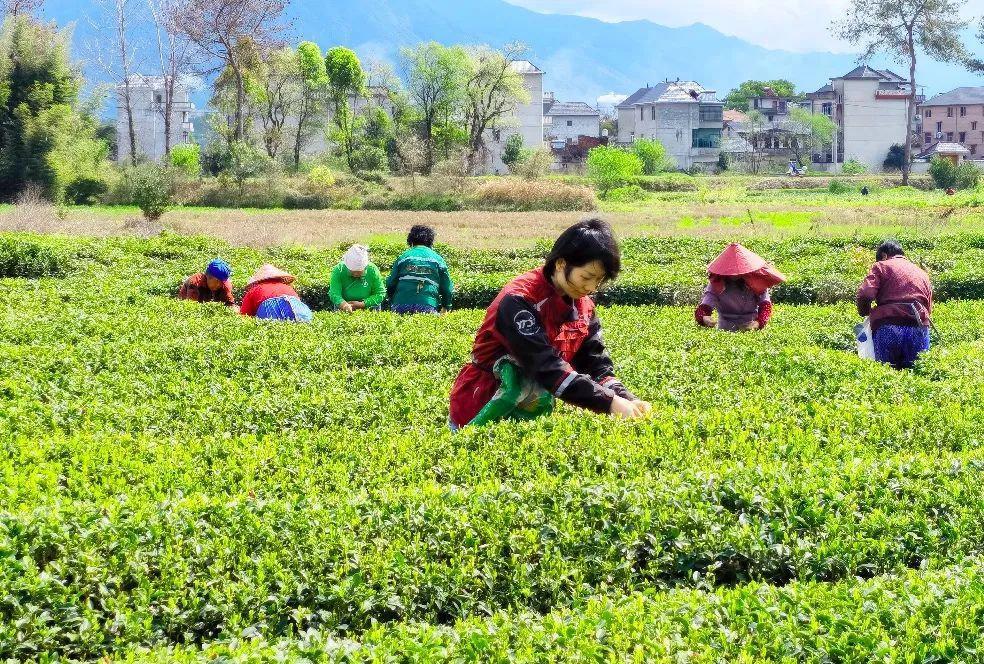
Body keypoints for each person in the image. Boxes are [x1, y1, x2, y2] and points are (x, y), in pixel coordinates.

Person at [448, 218, 650, 429]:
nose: (591, 287)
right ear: (561, 263)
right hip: (482, 405)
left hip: (532, 411)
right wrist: (609, 403)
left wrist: (624, 397)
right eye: (587, 277)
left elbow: (595, 363)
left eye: (598, 281)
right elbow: (546, 367)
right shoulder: (519, 300)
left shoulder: (584, 305)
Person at [857, 240, 933, 369]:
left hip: (888, 326)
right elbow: (929, 306)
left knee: (887, 374)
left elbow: (865, 294)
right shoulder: (921, 272)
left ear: (884, 255)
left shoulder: (881, 266)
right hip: (918, 326)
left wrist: (864, 311)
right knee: (918, 374)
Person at [696, 243, 785, 332]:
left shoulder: (756, 281)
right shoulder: (717, 282)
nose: (734, 274)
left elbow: (765, 305)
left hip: (751, 326)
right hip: (725, 328)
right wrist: (704, 318)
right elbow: (704, 307)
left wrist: (758, 323)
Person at [386, 225, 453, 314]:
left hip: (401, 303)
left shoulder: (403, 257)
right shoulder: (438, 259)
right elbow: (447, 288)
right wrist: (446, 306)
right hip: (427, 304)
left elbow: (391, 283)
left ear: (411, 241)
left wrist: (392, 300)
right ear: (430, 242)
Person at [239, 264, 313, 323]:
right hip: (298, 309)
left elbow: (245, 315)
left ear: (258, 281)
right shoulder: (288, 288)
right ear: (280, 278)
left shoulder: (254, 290)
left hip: (270, 309)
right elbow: (298, 302)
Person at [329, 244, 385, 313]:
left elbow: (380, 293)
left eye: (359, 272)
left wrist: (363, 304)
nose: (355, 274)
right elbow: (334, 293)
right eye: (352, 271)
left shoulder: (372, 269)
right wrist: (344, 305)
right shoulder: (339, 270)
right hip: (344, 307)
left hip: (370, 308)